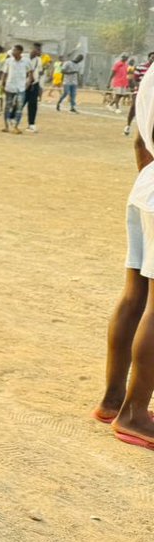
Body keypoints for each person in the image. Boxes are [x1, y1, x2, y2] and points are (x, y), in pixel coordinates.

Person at [98, 64, 154, 451]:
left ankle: (113, 399)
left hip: (146, 184)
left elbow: (140, 141)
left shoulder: (151, 73)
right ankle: (134, 412)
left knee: (134, 293)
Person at [0, 44, 32, 134]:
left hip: (21, 88)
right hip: (9, 87)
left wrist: (27, 84)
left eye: (15, 50)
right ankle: (6, 126)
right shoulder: (8, 61)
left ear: (20, 51)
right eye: (12, 50)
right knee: (7, 107)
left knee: (19, 107)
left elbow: (30, 74)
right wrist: (2, 83)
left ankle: (15, 127)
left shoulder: (26, 61)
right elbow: (4, 73)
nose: (13, 52)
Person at [24, 42, 43, 132]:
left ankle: (31, 124)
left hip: (34, 84)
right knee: (20, 103)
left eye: (40, 49)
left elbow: (39, 73)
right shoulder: (23, 58)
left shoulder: (39, 60)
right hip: (23, 84)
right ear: (32, 49)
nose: (40, 51)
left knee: (33, 105)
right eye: (38, 49)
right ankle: (12, 118)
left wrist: (38, 86)